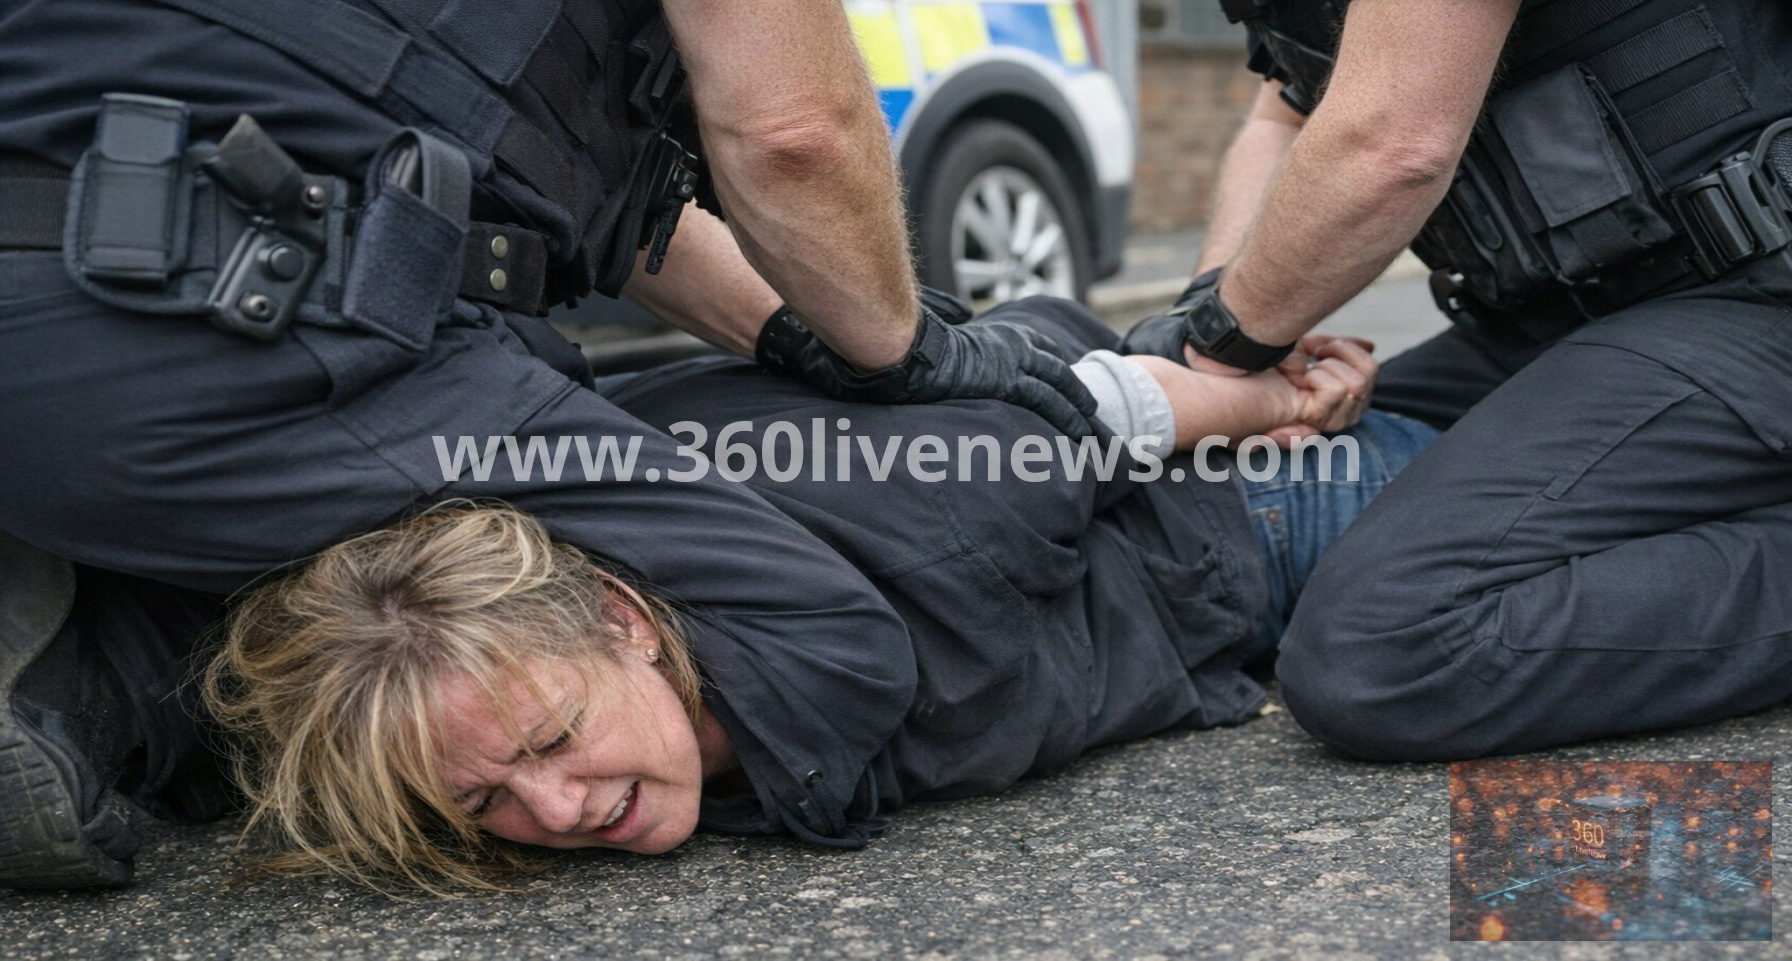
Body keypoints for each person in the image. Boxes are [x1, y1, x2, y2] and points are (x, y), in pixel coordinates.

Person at [0, 0, 1112, 891]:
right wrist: (910, 353)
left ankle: (70, 615)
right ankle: (94, 695)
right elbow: (791, 135)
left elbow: (592, 214)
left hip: (129, 316)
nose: (559, 807)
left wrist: (786, 332)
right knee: (821, 630)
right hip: (220, 340)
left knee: (333, 535)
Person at [197, 296, 1436, 894]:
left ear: (627, 623)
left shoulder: (912, 520)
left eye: (550, 741)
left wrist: (1279, 403)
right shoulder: (542, 678)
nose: (557, 806)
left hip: (1264, 512)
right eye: (486, 799)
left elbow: (1070, 406)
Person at [1121, 0, 1792, 760]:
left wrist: (1213, 357)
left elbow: (1393, 146)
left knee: (1388, 651)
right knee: (1287, 489)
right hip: (1561, 317)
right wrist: (1219, 325)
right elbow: (1283, 114)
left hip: (1749, 296)